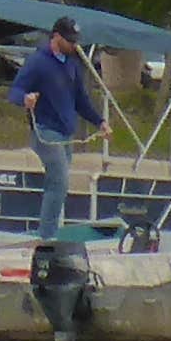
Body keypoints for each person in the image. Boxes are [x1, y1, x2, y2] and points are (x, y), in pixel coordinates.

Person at [12, 17, 105, 240]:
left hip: (65, 135)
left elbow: (80, 100)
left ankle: (48, 230)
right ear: (56, 37)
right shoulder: (38, 62)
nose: (74, 45)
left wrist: (100, 121)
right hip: (46, 131)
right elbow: (15, 89)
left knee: (58, 184)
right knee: (59, 180)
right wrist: (25, 98)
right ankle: (47, 235)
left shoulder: (72, 65)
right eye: (70, 40)